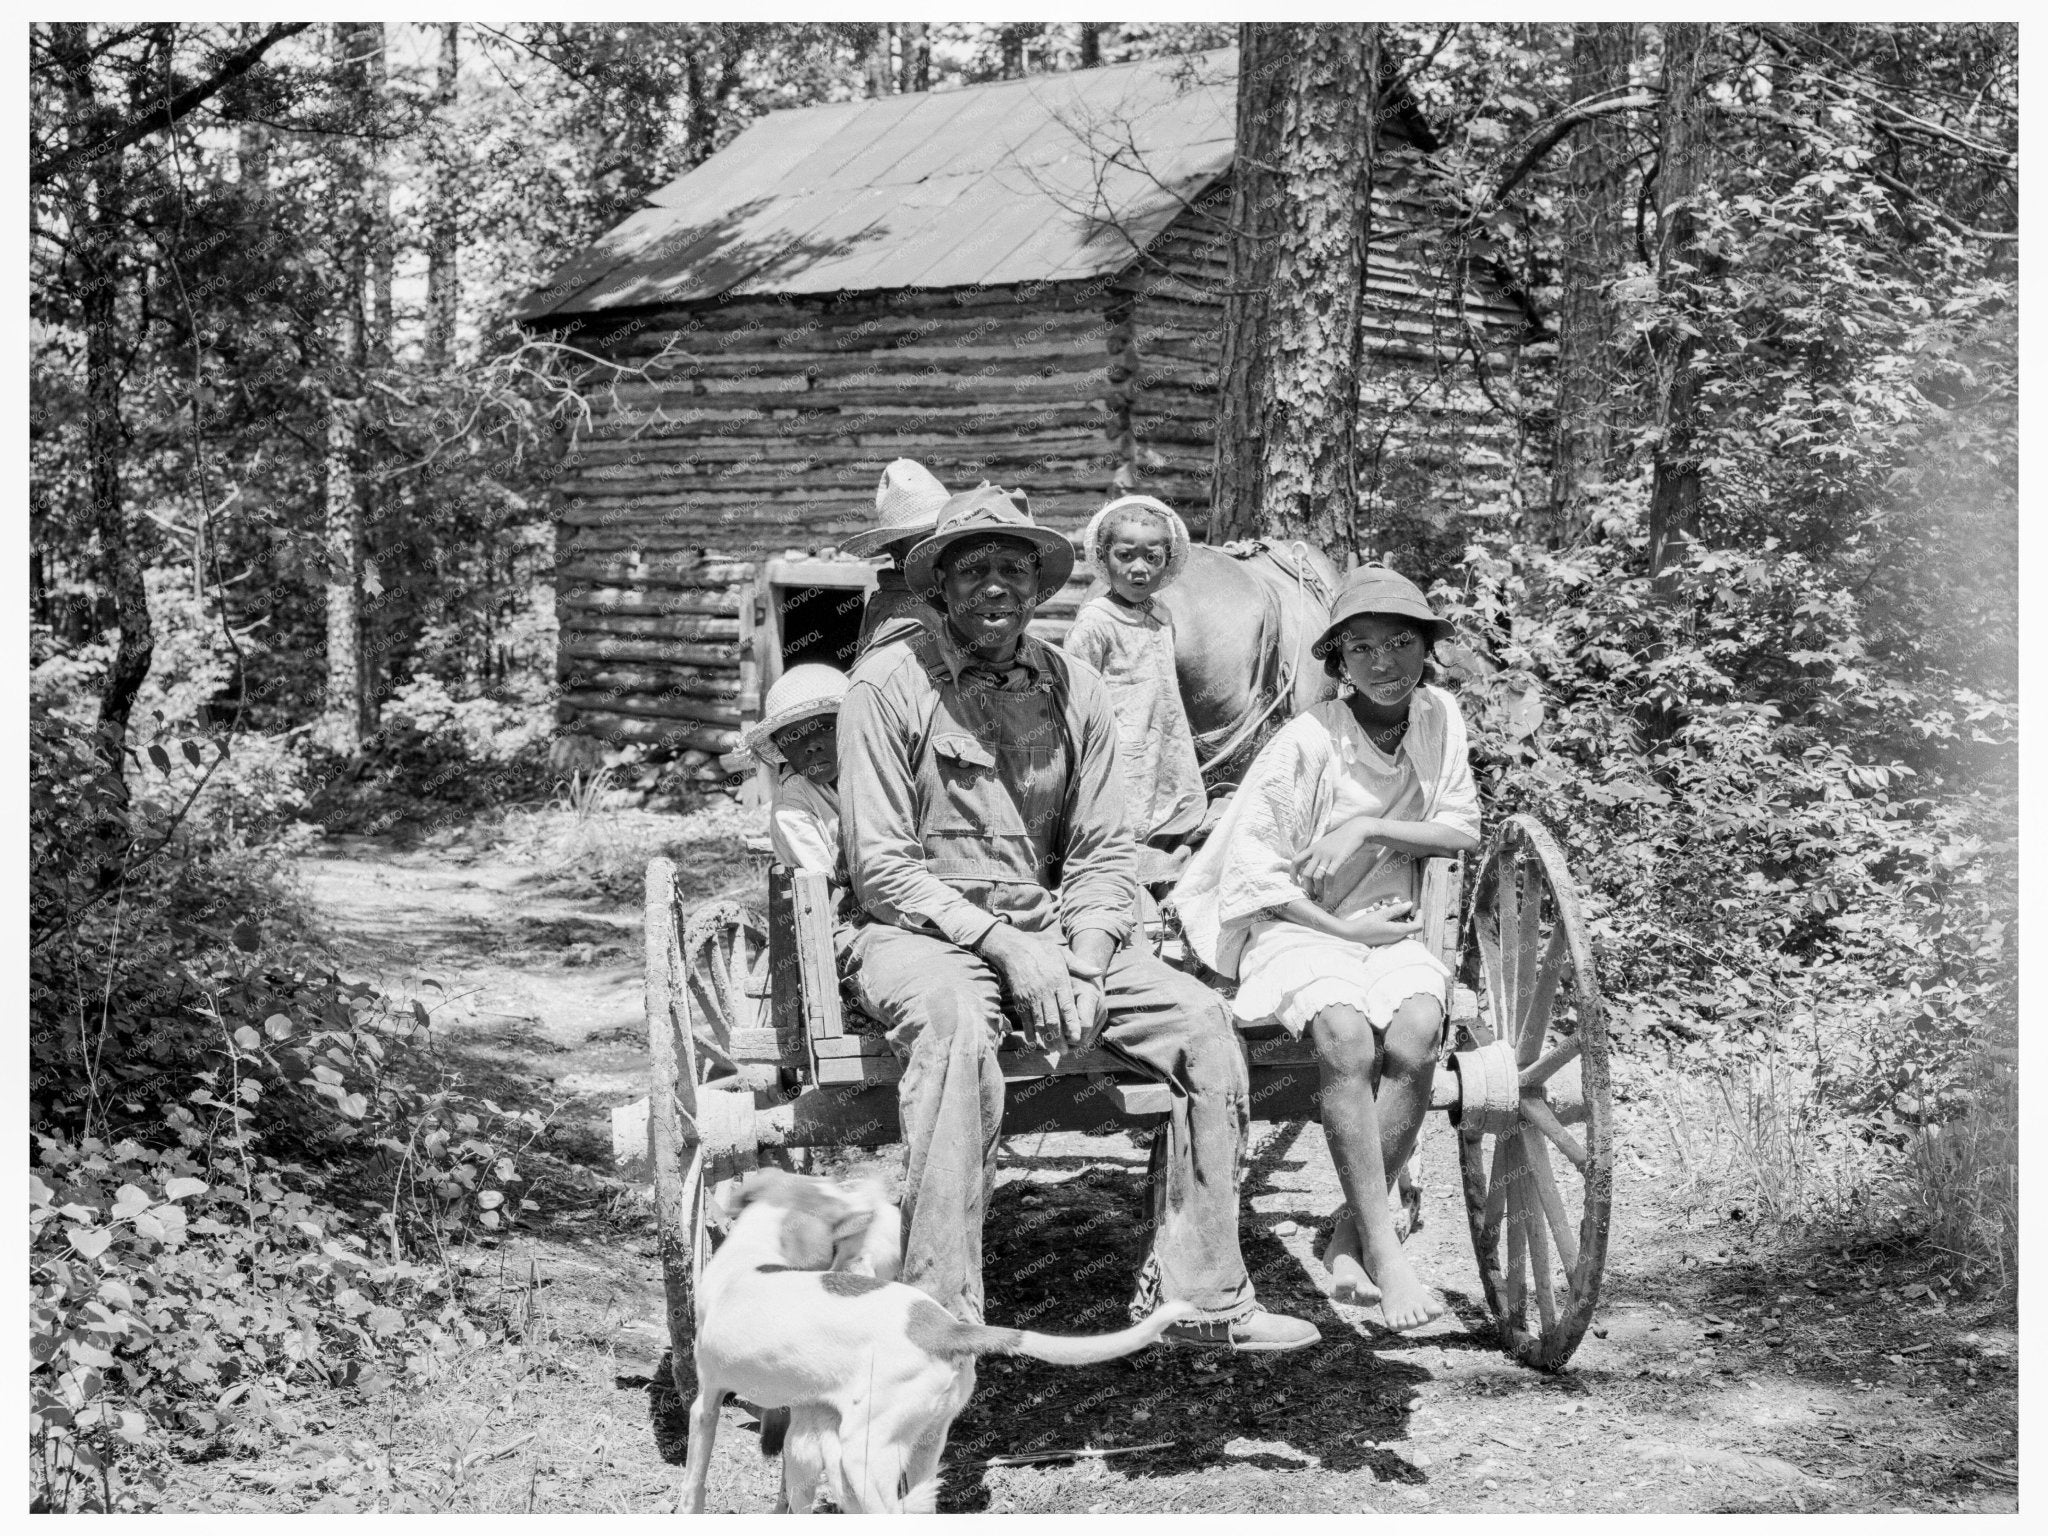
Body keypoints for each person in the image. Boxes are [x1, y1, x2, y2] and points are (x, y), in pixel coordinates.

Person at [835, 484, 1320, 1351]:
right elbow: (879, 869)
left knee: (1203, 1023)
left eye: (1013, 571)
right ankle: (937, 1313)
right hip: (913, 934)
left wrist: (1089, 959)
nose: (995, 587)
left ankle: (1201, 1294)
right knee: (952, 1028)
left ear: (1040, 589)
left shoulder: (1075, 688)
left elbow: (1103, 851)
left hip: (1055, 931)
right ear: (939, 587)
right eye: (973, 569)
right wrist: (1010, 953)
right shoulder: (885, 686)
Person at [1171, 565, 1481, 1331]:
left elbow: (1461, 826)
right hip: (1295, 924)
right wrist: (1341, 930)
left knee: (1416, 1032)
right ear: (1338, 663)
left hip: (1383, 923)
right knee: (1344, 1034)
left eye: (1402, 644)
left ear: (1428, 651)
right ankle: (1385, 1249)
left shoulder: (1441, 717)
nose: (1384, 664)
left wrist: (1370, 827)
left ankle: (1348, 1227)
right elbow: (1253, 871)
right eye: (1363, 649)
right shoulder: (1308, 739)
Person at [1062, 495, 1206, 849]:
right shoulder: (1096, 621)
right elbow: (1073, 695)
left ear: (1167, 563)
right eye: (1125, 556)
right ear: (1104, 557)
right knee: (1123, 817)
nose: (1139, 568)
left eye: (1152, 557)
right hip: (1118, 745)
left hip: (1165, 736)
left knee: (1168, 803)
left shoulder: (1161, 615)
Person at [742, 663, 849, 880]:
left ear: (850, 724)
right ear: (781, 746)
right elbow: (828, 888)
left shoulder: (872, 767)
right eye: (793, 736)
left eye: (827, 727)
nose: (812, 745)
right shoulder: (791, 807)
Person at [843, 459, 951, 660]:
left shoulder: (921, 599)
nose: (940, 548)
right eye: (925, 540)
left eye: (943, 536)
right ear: (895, 549)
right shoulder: (910, 619)